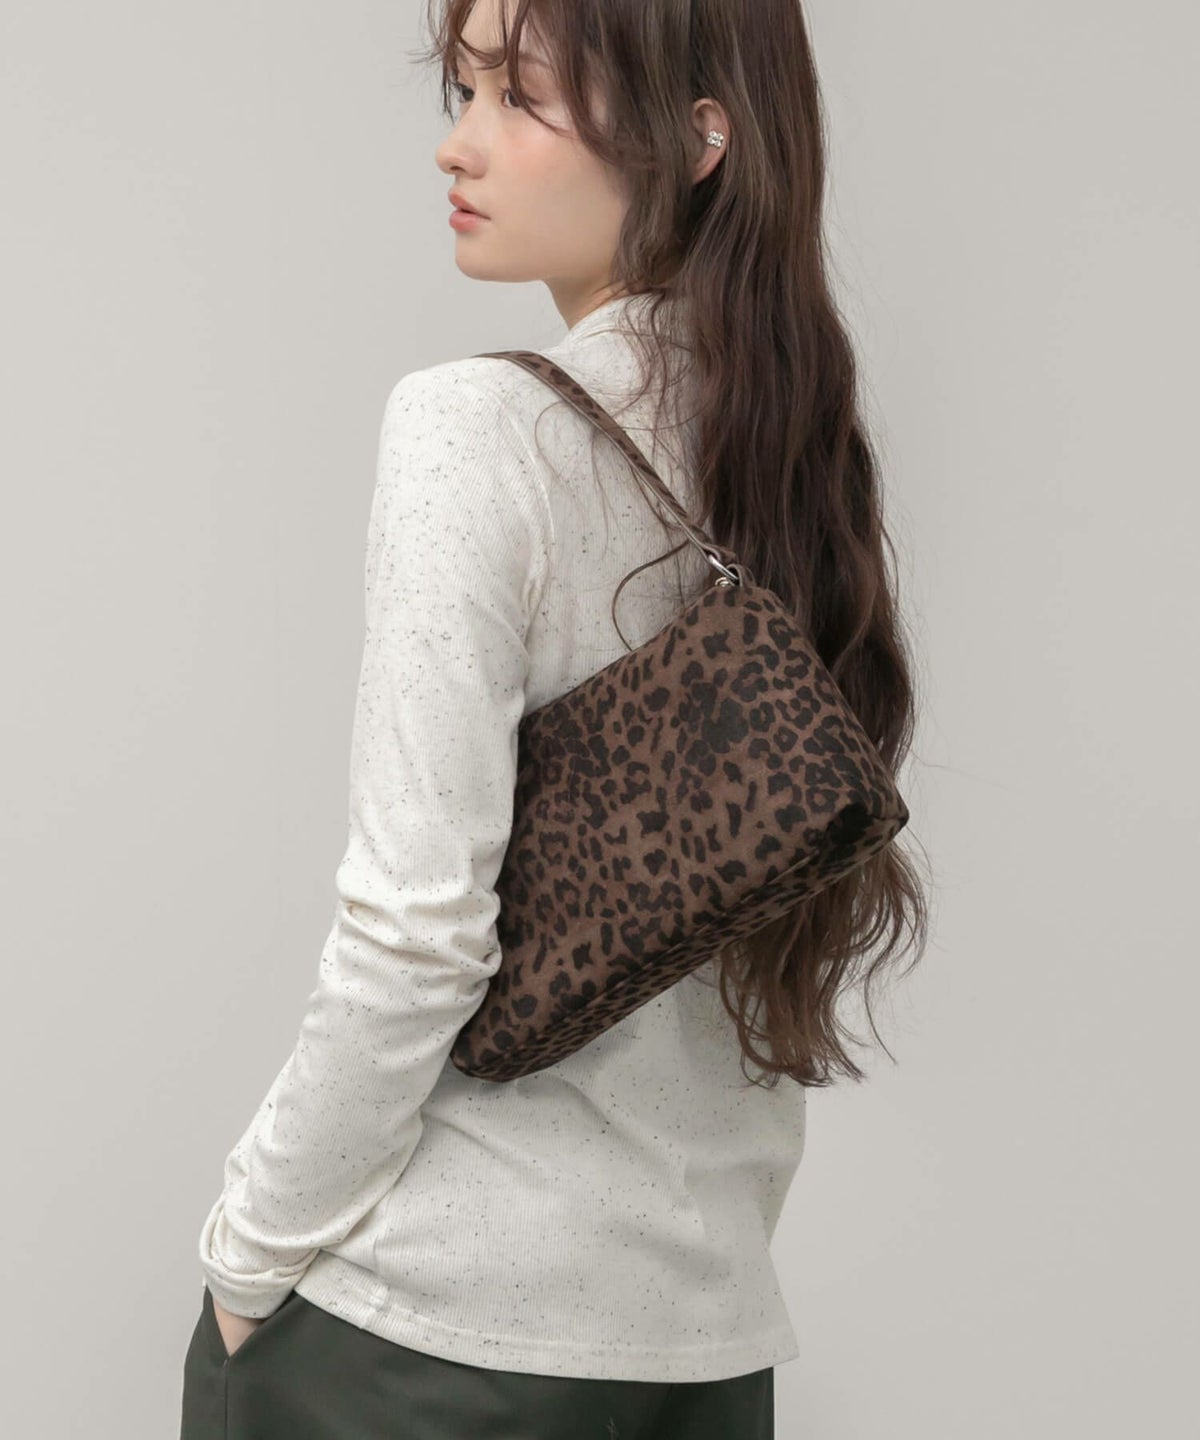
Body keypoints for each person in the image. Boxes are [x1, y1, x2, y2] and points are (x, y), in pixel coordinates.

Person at [180, 1, 929, 1436]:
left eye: (520, 95)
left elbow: (415, 934)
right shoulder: (797, 460)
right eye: (460, 90)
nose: (458, 144)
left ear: (700, 138)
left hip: (420, 1350)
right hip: (705, 1352)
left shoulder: (473, 428)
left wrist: (245, 1252)